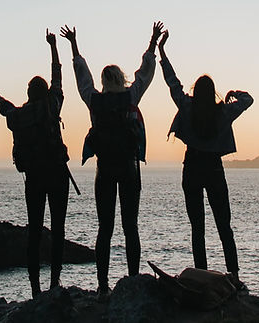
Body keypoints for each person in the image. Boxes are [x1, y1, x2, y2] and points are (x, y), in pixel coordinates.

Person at [60, 21, 164, 297]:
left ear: (104, 82)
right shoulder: (132, 96)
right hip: (129, 169)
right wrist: (152, 41)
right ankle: (131, 280)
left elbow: (82, 79)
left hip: (104, 169)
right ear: (122, 78)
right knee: (131, 226)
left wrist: (74, 46)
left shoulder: (95, 101)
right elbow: (146, 72)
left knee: (104, 228)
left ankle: (103, 285)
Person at [0, 29, 71, 298]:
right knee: (58, 229)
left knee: (34, 231)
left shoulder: (18, 116)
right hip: (57, 174)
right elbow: (58, 77)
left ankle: (35, 289)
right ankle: (55, 282)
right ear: (45, 92)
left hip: (34, 177)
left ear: (28, 93)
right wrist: (53, 47)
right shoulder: (53, 106)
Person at [157, 29, 254, 290]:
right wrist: (234, 92)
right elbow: (248, 100)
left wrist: (162, 51)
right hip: (213, 168)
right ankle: (233, 275)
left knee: (197, 226)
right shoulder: (224, 111)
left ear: (195, 91)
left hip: (192, 167)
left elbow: (172, 82)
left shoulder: (186, 106)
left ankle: (200, 275)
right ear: (212, 92)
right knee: (224, 225)